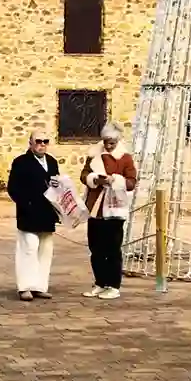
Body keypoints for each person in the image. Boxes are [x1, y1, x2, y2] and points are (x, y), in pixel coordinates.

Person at [81, 122, 138, 300]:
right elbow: (84, 175)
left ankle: (113, 285)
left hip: (115, 208)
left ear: (117, 141)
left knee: (112, 248)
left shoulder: (125, 158)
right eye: (106, 142)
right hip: (96, 208)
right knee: (95, 248)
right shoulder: (94, 156)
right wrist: (94, 179)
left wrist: (116, 180)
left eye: (112, 142)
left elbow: (131, 182)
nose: (108, 145)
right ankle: (100, 282)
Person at [6, 131, 61, 302]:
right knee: (28, 248)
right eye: (38, 141)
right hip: (29, 212)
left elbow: (56, 184)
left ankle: (40, 286)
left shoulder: (51, 162)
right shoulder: (21, 162)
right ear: (30, 143)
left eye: (45, 141)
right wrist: (26, 204)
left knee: (45, 250)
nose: (42, 144)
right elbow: (13, 188)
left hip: (47, 212)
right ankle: (25, 287)